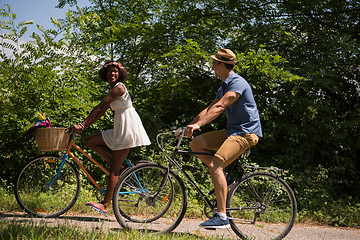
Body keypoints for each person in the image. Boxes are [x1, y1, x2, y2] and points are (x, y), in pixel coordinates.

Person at [185, 48, 263, 228]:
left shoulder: (237, 83)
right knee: (196, 143)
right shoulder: (224, 86)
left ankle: (222, 216)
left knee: (215, 165)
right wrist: (188, 126)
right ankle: (226, 178)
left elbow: (221, 106)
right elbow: (209, 109)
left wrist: (198, 125)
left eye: (214, 63)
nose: (212, 67)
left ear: (222, 64)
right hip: (232, 131)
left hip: (246, 133)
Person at [72, 61, 151, 216]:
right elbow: (101, 110)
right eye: (110, 72)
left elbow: (101, 106)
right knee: (91, 141)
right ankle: (119, 168)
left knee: (113, 170)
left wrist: (82, 125)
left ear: (120, 74)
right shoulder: (113, 89)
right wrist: (85, 126)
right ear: (105, 74)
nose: (112, 74)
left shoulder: (119, 88)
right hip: (120, 127)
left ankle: (106, 205)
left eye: (115, 72)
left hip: (128, 127)